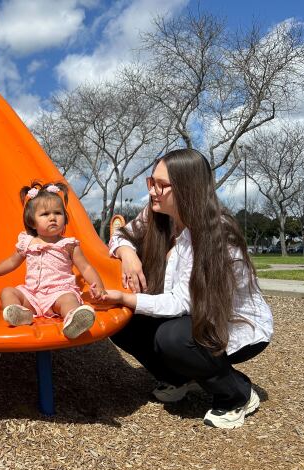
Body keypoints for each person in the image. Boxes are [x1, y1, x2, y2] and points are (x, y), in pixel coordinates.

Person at [92, 148, 273, 429]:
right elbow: (120, 234)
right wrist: (128, 254)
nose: (153, 191)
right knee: (122, 322)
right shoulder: (157, 214)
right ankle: (179, 379)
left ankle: (236, 393)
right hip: (193, 316)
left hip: (232, 324)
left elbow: (181, 303)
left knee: (172, 337)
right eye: (151, 182)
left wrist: (126, 297)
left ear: (188, 188)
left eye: (161, 185)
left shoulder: (216, 235)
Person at [0, 181, 107, 339]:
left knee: (69, 299)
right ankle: (19, 313)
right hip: (32, 295)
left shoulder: (68, 245)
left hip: (59, 293)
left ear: (65, 218)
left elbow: (85, 268)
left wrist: (98, 286)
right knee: (8, 292)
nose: (52, 218)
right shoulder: (27, 243)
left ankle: (73, 318)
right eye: (45, 214)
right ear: (32, 221)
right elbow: (11, 262)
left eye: (58, 213)